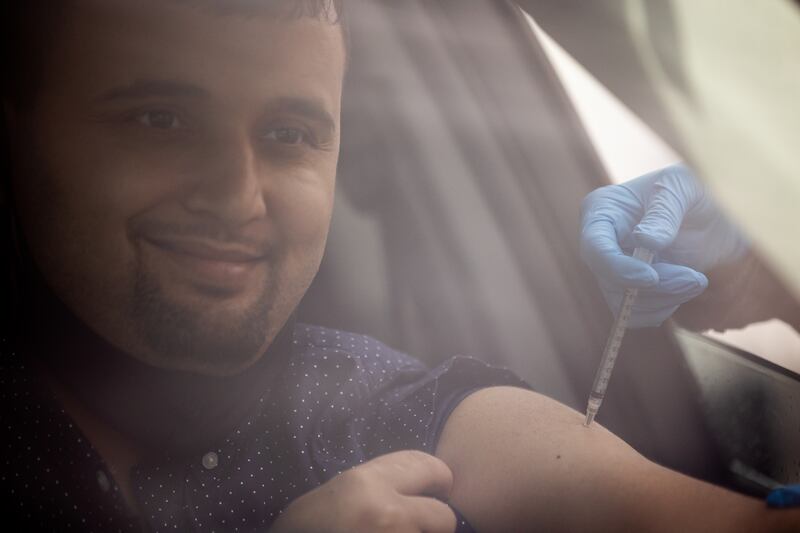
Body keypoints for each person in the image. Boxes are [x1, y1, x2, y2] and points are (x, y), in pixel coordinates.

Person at [1, 1, 798, 531]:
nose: (239, 196)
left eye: (288, 134)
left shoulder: (356, 401)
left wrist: (781, 258)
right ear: (18, 123)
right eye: (161, 119)